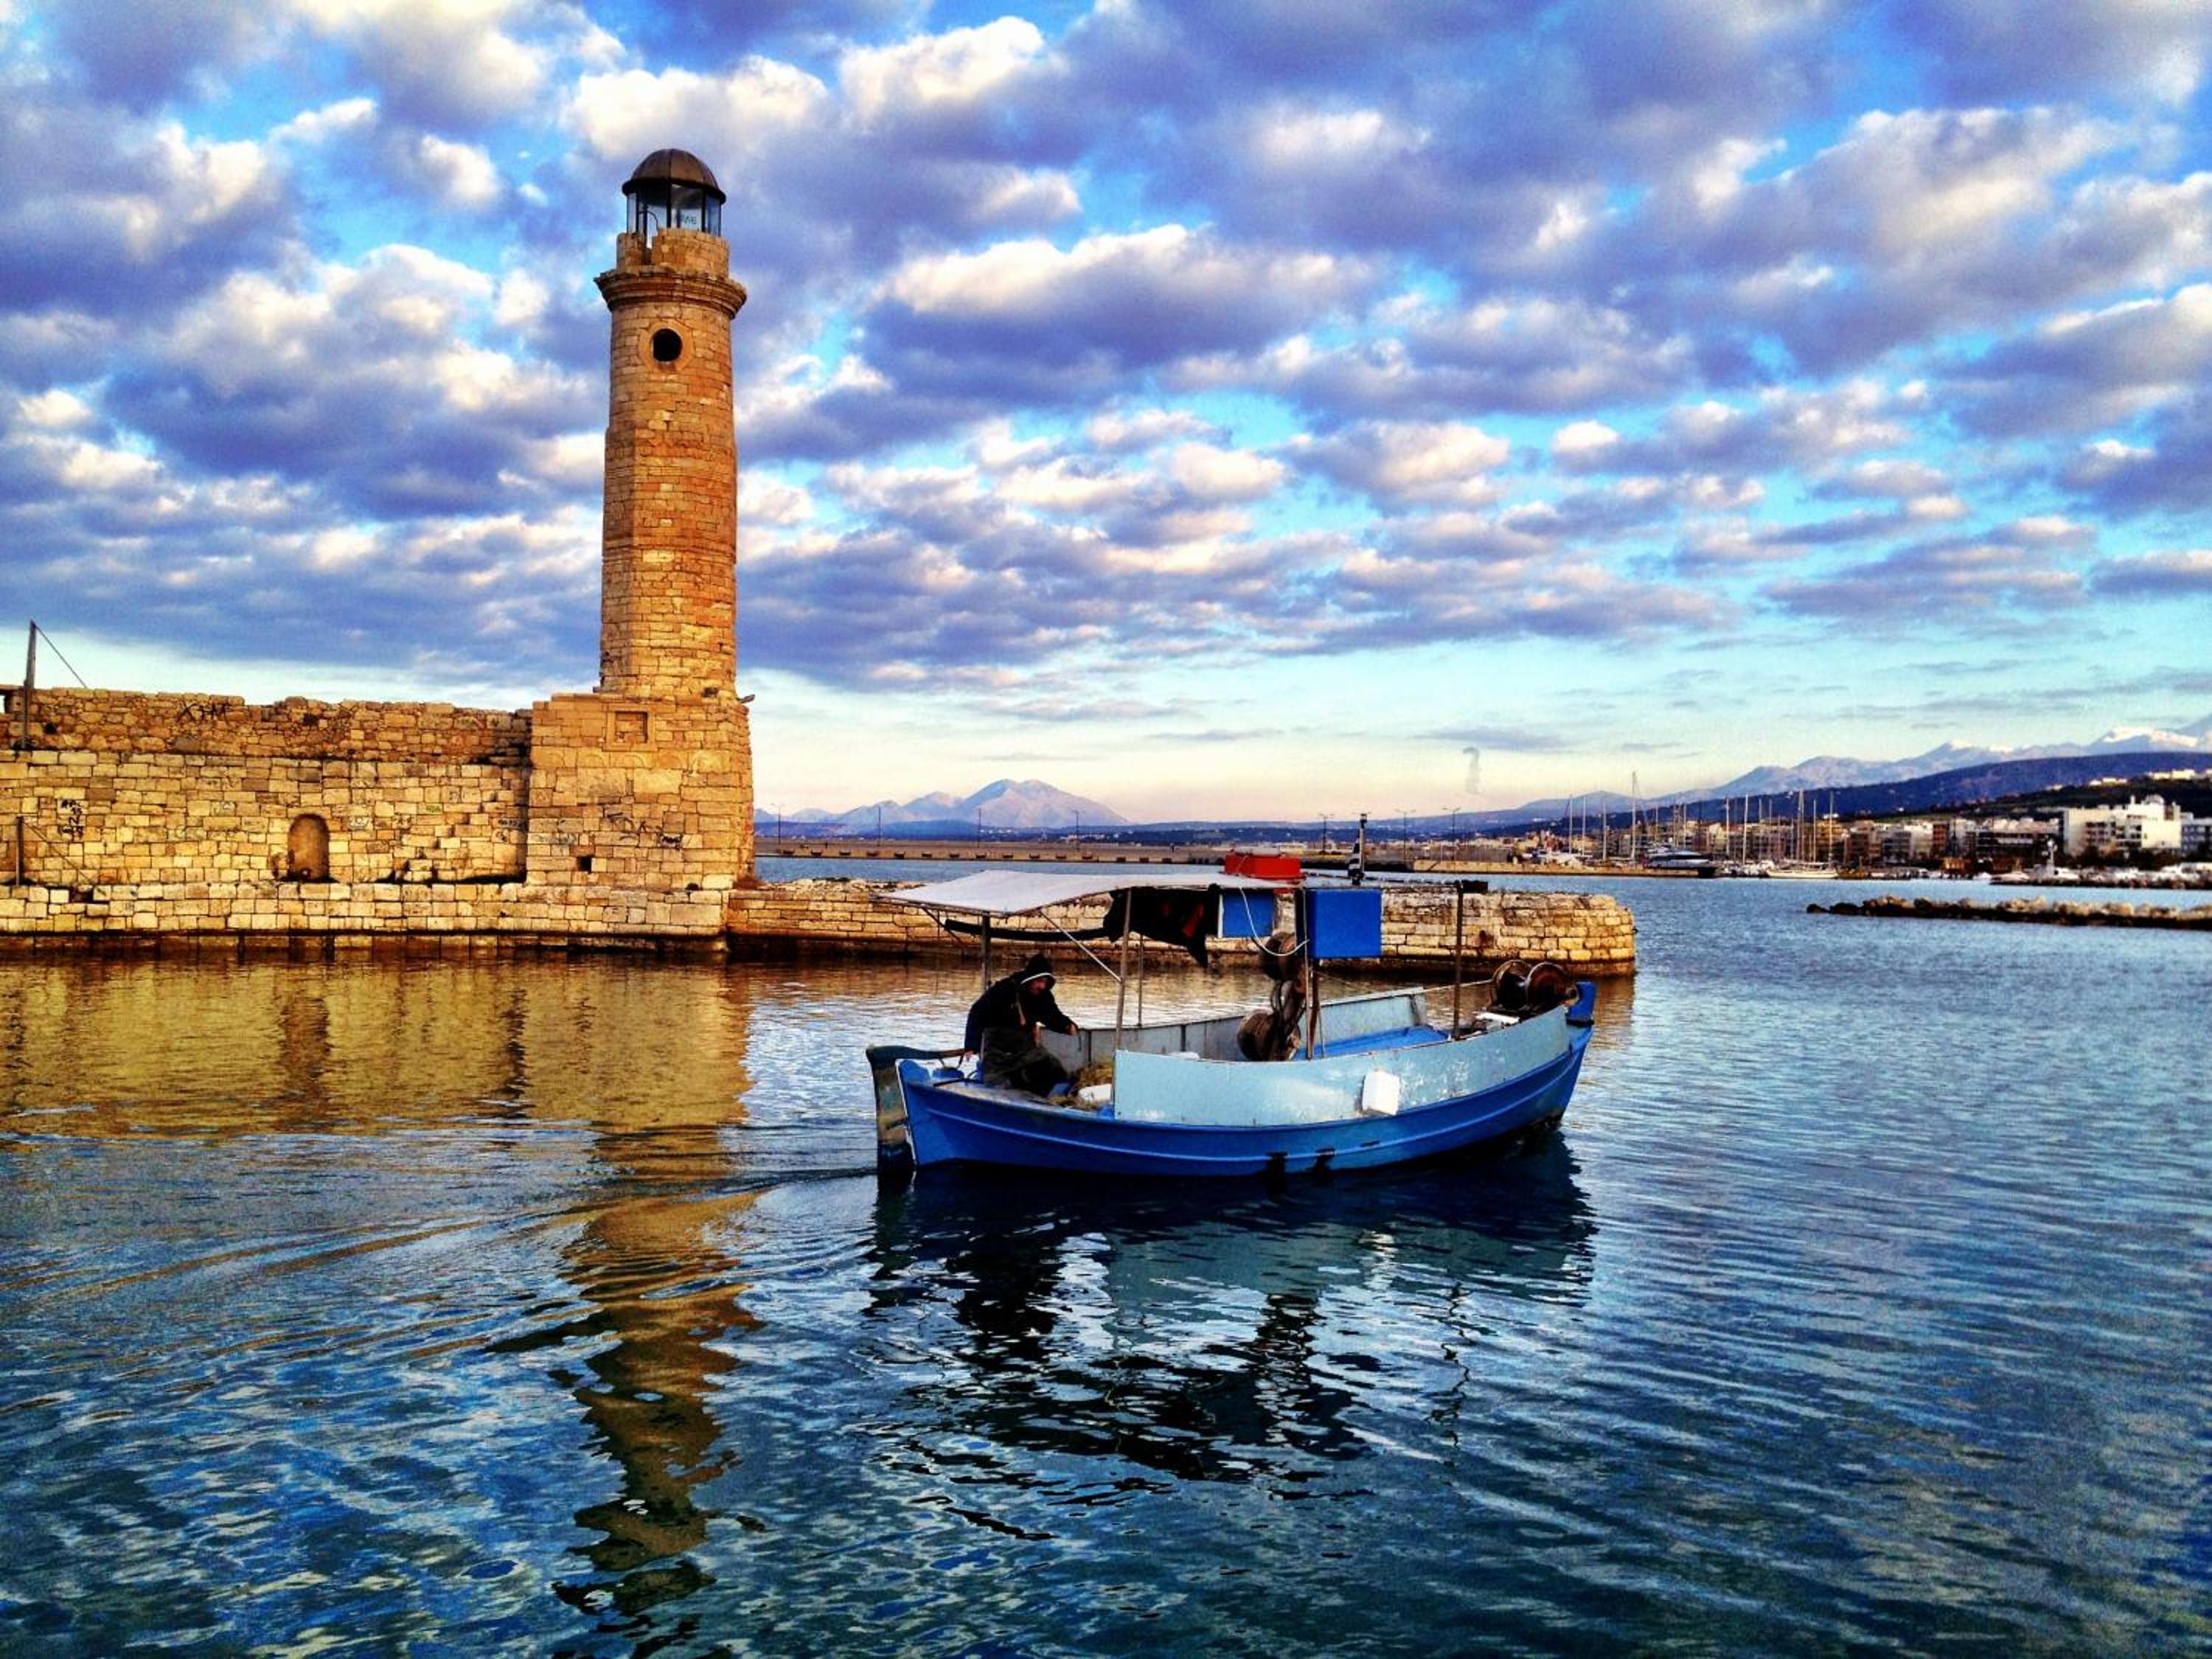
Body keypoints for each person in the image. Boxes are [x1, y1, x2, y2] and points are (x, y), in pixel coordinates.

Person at [964, 953, 1079, 1094]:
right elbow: (977, 1012)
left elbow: (1052, 1016)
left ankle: (1048, 1100)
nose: (1042, 986)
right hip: (999, 1054)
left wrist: (1067, 1026)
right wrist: (971, 1045)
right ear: (1030, 978)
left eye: (1045, 982)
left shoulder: (1043, 996)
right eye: (1039, 981)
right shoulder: (1004, 989)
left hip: (1027, 1050)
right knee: (1001, 1087)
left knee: (1056, 1071)